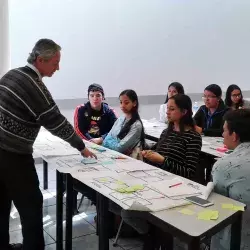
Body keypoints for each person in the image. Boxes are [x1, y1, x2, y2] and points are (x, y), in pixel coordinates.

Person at [0, 39, 95, 250]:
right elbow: (57, 122)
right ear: (40, 59)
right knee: (32, 206)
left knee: (2, 203)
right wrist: (81, 146)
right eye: (55, 62)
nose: (58, 68)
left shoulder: (11, 75)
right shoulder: (35, 86)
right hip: (14, 156)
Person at [211, 109, 250, 250]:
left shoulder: (224, 166)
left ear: (234, 135)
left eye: (224, 131)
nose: (222, 134)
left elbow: (218, 206)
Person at [143, 94, 202, 180]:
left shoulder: (193, 137)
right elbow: (157, 156)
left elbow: (189, 173)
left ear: (184, 112)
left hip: (175, 183)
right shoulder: (166, 132)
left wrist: (163, 161)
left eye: (172, 109)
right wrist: (148, 155)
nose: (167, 112)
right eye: (167, 108)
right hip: (156, 177)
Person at [102, 89, 145, 158]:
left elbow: (119, 148)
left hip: (128, 159)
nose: (122, 106)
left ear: (134, 103)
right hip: (114, 155)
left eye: (126, 103)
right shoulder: (120, 119)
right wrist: (114, 142)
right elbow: (106, 140)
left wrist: (112, 141)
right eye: (121, 102)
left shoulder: (136, 125)